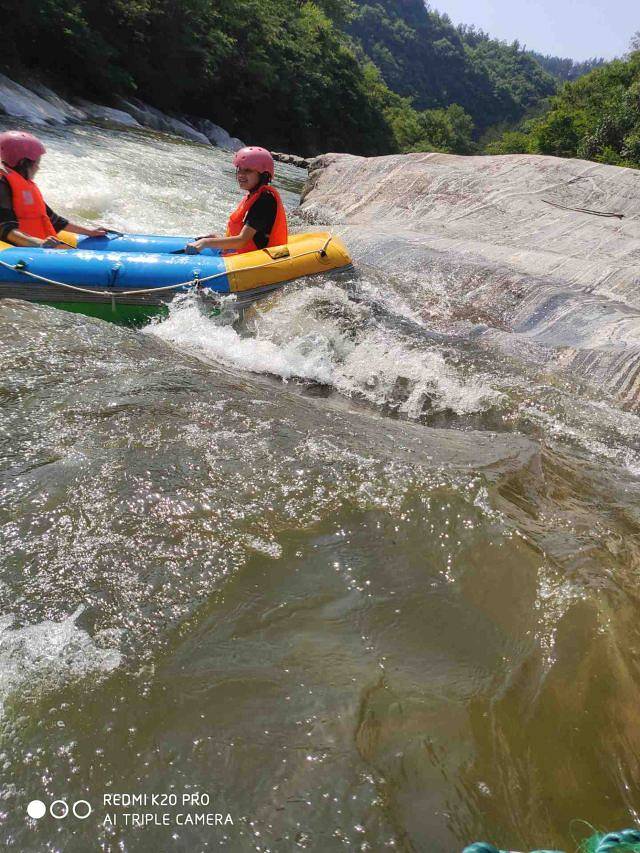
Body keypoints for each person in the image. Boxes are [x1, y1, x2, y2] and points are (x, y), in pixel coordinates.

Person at [0, 130, 108, 249]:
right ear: (22, 162)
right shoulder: (3, 186)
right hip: (17, 251)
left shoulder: (25, 186)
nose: (38, 167)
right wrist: (39, 243)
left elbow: (54, 220)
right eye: (37, 162)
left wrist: (90, 232)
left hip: (32, 246)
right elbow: (6, 230)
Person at [186, 146, 287, 255]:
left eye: (248, 170)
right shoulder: (254, 196)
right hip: (248, 250)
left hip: (260, 257)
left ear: (263, 175)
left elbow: (242, 241)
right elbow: (250, 236)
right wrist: (217, 239)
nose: (241, 175)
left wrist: (206, 242)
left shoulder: (265, 201)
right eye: (239, 169)